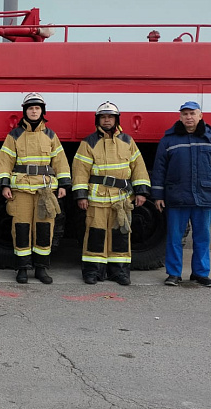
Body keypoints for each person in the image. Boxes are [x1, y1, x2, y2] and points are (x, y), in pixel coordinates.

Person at [151, 101, 211, 287]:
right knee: (174, 238)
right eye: (185, 114)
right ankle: (173, 274)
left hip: (203, 197)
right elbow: (159, 170)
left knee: (202, 237)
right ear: (180, 117)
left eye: (192, 113)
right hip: (176, 196)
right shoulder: (168, 140)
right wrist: (158, 196)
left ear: (200, 115)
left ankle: (200, 273)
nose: (189, 117)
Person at [72, 101, 150, 286]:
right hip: (97, 199)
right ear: (98, 120)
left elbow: (138, 167)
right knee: (95, 235)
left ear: (116, 119)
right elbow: (80, 170)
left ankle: (120, 272)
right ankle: (92, 272)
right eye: (103, 117)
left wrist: (142, 191)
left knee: (120, 236)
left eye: (110, 117)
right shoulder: (88, 143)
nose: (107, 120)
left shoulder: (128, 142)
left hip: (121, 200)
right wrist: (81, 195)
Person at [0, 92, 71, 284]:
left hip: (45, 192)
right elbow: (4, 161)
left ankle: (41, 268)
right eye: (30, 108)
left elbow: (60, 161)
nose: (34, 111)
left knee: (45, 228)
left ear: (42, 111)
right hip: (21, 190)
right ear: (25, 111)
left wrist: (64, 184)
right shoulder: (14, 136)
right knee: (21, 228)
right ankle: (22, 268)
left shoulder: (50, 136)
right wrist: (4, 184)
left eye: (37, 108)